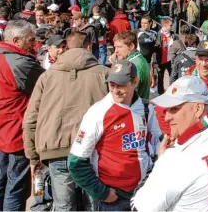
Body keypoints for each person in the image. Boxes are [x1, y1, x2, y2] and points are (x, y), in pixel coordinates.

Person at [133, 76, 208, 211]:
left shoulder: (176, 160)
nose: (166, 117)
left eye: (174, 109)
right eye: (166, 110)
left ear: (198, 108)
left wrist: (159, 163)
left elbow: (140, 208)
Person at [23, 31, 109, 210]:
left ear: (66, 48)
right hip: (92, 150)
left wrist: (33, 156)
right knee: (93, 205)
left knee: (63, 206)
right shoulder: (104, 74)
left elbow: (31, 118)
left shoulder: (47, 76)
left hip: (56, 149)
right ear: (88, 47)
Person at [68, 60, 161, 211]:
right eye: (112, 85)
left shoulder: (146, 108)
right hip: (114, 198)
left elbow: (159, 143)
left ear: (135, 82)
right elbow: (75, 161)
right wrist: (102, 193)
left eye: (122, 85)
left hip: (144, 191)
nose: (116, 90)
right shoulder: (98, 112)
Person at [0, 20, 45, 211]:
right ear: (16, 40)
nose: (34, 44)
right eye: (30, 40)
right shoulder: (20, 63)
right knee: (17, 186)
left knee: (2, 182)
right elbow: (46, 84)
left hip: (3, 129)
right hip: (16, 131)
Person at [112, 31, 151, 101]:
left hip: (135, 108)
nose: (116, 51)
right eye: (115, 47)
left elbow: (128, 93)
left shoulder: (133, 65)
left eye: (119, 47)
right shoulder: (138, 57)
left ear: (131, 46)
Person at [155, 17, 176, 94]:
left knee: (172, 76)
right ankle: (160, 93)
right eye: (170, 25)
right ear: (165, 25)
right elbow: (156, 48)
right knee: (160, 78)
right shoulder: (158, 34)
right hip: (161, 60)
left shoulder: (173, 34)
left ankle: (172, 92)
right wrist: (155, 61)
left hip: (170, 60)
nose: (172, 26)